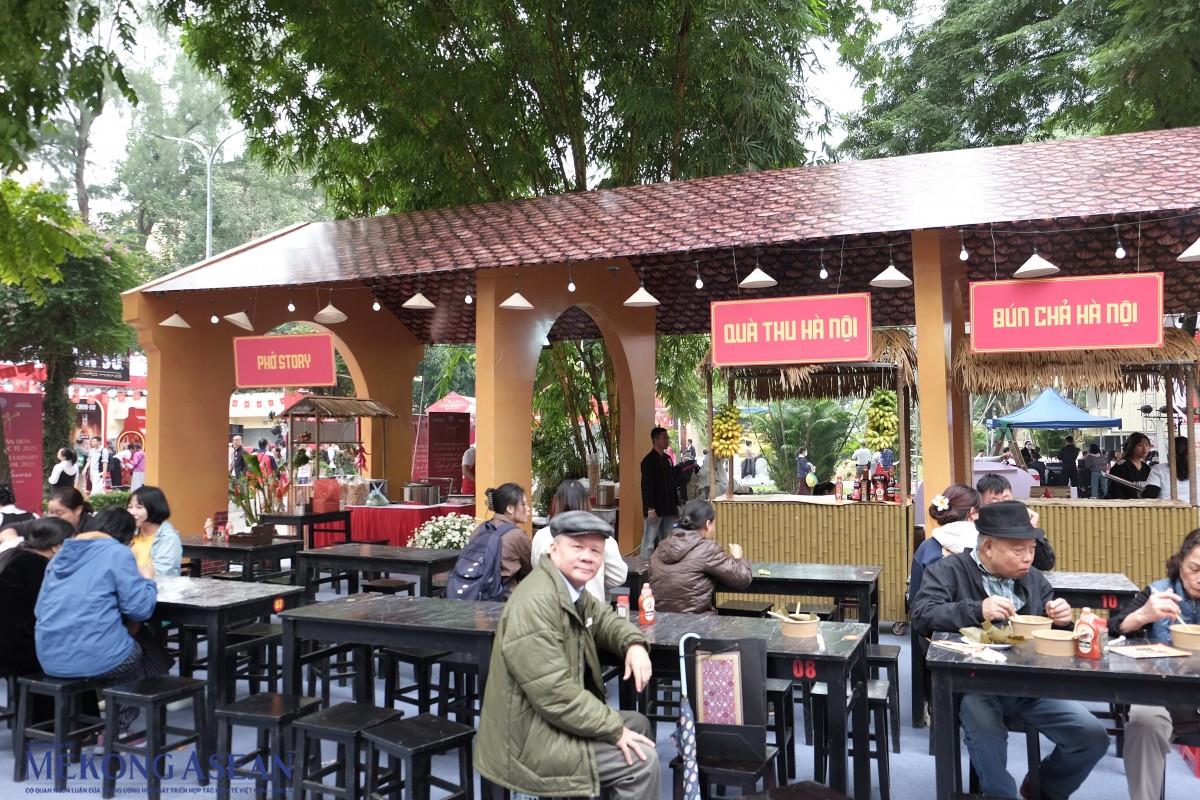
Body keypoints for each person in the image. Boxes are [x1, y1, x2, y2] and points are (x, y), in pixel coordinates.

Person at [910, 501, 1109, 799]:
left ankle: (1044, 787)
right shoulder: (949, 570)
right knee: (988, 739)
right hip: (975, 685)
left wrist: (1063, 621)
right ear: (988, 547)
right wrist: (978, 609)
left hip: (1030, 686)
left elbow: (1054, 636)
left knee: (1092, 737)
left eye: (1031, 549)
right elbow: (922, 614)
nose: (1028, 557)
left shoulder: (1034, 579)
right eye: (1019, 550)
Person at [475, 510, 658, 800]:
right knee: (641, 761)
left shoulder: (570, 590)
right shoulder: (537, 602)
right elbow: (554, 693)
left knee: (638, 724)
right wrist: (614, 730)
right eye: (577, 547)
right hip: (526, 741)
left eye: (595, 551)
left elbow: (605, 620)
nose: (587, 557)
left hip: (547, 722)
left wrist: (634, 643)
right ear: (553, 549)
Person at [35, 509, 164, 732]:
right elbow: (140, 609)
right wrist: (148, 580)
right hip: (95, 658)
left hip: (50, 656)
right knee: (137, 647)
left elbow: (39, 609)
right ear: (126, 536)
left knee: (121, 639)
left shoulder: (60, 556)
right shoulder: (117, 553)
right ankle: (119, 728)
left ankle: (110, 705)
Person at [1107, 528, 1200, 800]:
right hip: (1163, 695)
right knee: (1144, 721)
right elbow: (1114, 628)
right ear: (1180, 562)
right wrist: (1142, 615)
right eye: (1194, 568)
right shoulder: (1158, 592)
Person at [0, 517, 75, 721]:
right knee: (75, 654)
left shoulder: (15, 555)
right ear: (56, 546)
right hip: (15, 647)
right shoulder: (38, 566)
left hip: (9, 640)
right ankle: (65, 724)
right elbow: (49, 611)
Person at [649, 498, 751, 614]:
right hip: (697, 622)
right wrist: (738, 557)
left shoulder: (661, 547)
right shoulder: (707, 548)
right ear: (708, 524)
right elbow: (743, 579)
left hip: (661, 621)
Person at [531, 479, 626, 602]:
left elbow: (536, 567)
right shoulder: (601, 538)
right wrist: (596, 579)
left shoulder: (541, 536)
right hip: (591, 608)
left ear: (557, 503)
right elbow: (618, 576)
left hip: (549, 607)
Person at [909, 484, 980, 602]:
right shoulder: (985, 547)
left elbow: (915, 598)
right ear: (972, 512)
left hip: (932, 612)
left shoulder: (926, 548)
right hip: (978, 612)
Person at [976, 473, 1056, 571]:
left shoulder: (1020, 525)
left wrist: (1030, 529)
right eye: (994, 502)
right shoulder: (977, 528)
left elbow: (1046, 564)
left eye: (1006, 500)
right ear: (981, 504)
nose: (1002, 507)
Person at [471, 483, 533, 597]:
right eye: (523, 504)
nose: (528, 509)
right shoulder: (517, 535)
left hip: (474, 593)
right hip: (504, 599)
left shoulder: (479, 529)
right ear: (509, 508)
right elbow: (529, 569)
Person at [127, 485, 183, 577]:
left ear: (154, 508)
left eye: (139, 507)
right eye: (130, 507)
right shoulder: (128, 534)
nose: (132, 512)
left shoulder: (168, 538)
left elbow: (160, 573)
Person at [639, 427, 677, 558]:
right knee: (649, 541)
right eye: (664, 438)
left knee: (667, 541)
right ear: (655, 440)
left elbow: (672, 484)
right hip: (654, 508)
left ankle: (663, 565)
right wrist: (650, 508)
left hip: (668, 507)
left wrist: (675, 505)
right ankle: (643, 566)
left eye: (667, 438)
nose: (667, 440)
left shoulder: (667, 459)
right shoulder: (648, 461)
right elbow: (646, 486)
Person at [1144, 436, 1190, 502]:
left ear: (1169, 454)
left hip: (1168, 508)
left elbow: (1150, 494)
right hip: (1195, 508)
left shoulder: (1159, 469)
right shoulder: (1197, 471)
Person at [1107, 432, 1153, 499]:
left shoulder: (1146, 468)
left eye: (1147, 445)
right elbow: (1114, 491)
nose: (1144, 448)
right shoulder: (1121, 467)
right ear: (1131, 447)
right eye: (1140, 445)